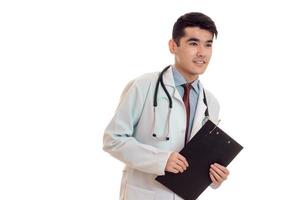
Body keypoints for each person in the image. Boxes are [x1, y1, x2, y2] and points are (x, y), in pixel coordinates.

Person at [103, 12, 230, 200]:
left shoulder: (210, 102)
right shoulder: (144, 86)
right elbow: (113, 139)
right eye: (193, 43)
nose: (202, 52)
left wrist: (214, 177)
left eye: (208, 44)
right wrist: (160, 160)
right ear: (173, 46)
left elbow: (200, 157)